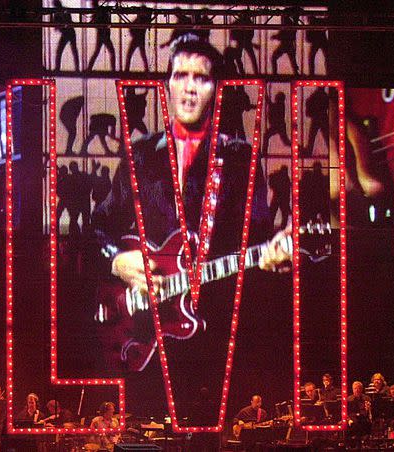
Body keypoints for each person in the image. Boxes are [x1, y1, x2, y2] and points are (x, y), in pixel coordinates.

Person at [91, 33, 290, 334]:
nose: (189, 89)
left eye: (201, 78)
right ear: (168, 84)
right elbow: (98, 227)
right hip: (145, 331)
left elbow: (259, 238)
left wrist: (275, 252)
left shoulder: (240, 158)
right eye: (180, 75)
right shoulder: (140, 154)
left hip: (215, 328)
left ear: (217, 89)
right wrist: (117, 261)